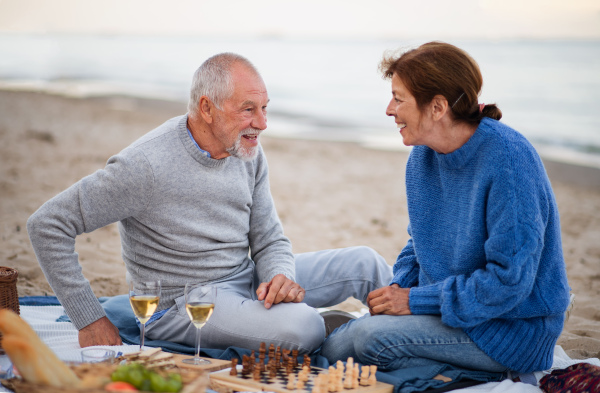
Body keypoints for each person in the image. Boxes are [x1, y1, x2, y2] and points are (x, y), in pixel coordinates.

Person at [27, 53, 392, 353]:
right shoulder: (144, 166)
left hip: (246, 280)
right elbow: (47, 224)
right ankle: (341, 336)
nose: (262, 123)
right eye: (248, 109)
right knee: (305, 326)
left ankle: (407, 337)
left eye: (265, 108)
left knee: (367, 263)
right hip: (184, 304)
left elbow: (268, 238)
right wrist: (89, 318)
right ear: (207, 107)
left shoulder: (247, 151)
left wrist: (278, 276)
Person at [320, 42, 571, 374]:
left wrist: (413, 302)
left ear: (437, 107)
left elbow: (509, 283)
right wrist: (401, 287)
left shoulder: (508, 160)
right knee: (334, 347)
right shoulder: (422, 157)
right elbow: (418, 242)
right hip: (446, 312)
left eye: (398, 98)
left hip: (510, 329)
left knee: (366, 338)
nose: (388, 109)